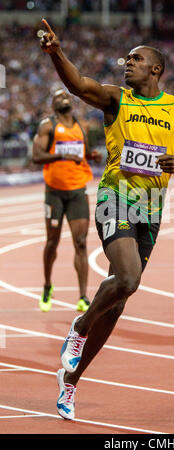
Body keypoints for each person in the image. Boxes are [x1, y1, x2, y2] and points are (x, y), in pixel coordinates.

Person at [39, 18, 174, 420]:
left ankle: (70, 382)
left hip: (150, 210)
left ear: (156, 69)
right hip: (114, 198)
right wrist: (57, 54)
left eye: (135, 60)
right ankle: (79, 328)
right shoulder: (116, 99)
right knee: (129, 279)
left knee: (119, 299)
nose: (127, 64)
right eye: (126, 60)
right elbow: (79, 85)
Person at [32, 89, 102, 313]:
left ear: (72, 103)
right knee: (52, 242)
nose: (64, 98)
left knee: (80, 243)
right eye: (58, 97)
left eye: (67, 97)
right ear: (53, 105)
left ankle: (82, 296)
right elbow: (37, 156)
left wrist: (92, 156)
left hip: (77, 191)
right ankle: (46, 286)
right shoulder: (47, 126)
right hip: (54, 193)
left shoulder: (82, 126)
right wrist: (62, 156)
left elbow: (84, 152)